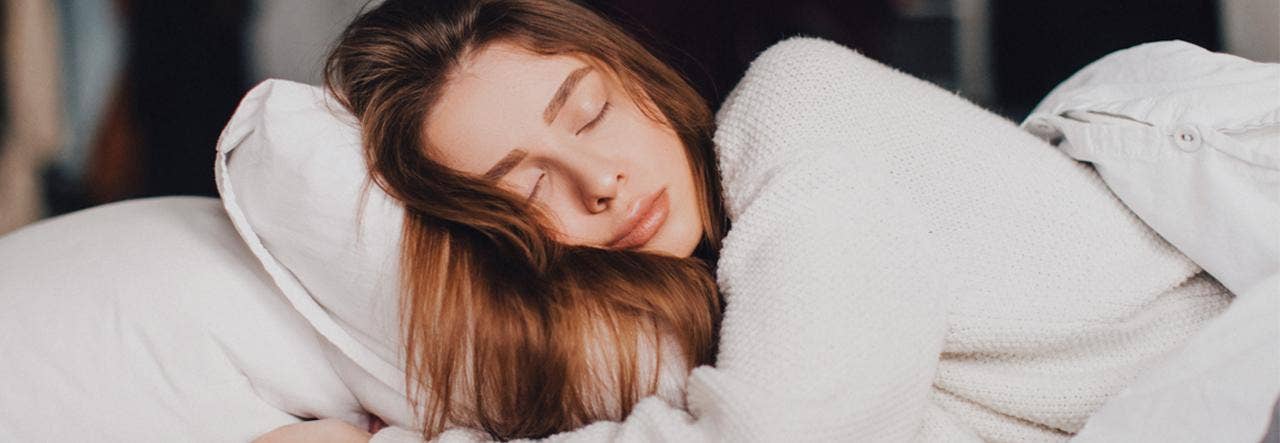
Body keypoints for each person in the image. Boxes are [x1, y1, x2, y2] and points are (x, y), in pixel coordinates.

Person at [260, 0, 1274, 441]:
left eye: (588, 111)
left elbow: (782, 433)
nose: (598, 181)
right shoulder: (714, 284)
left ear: (634, 78)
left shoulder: (793, 109)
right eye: (527, 188)